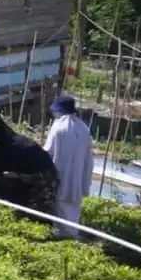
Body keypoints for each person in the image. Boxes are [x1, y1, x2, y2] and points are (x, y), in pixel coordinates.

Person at [0, 111, 59, 223]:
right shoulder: (20, 142)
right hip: (45, 184)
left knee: (32, 221)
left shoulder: (2, 151)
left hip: (40, 188)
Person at [44, 95, 93, 238]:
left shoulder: (58, 126)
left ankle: (60, 239)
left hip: (58, 177)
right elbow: (88, 160)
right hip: (76, 180)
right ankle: (71, 237)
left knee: (58, 210)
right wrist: (85, 184)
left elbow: (48, 152)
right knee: (72, 213)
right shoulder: (83, 128)